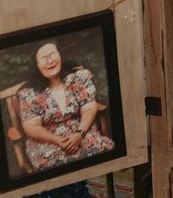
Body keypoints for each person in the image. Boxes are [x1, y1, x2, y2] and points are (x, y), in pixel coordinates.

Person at [18, 40, 114, 172]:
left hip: (81, 131)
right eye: (44, 58)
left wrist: (79, 134)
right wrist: (58, 140)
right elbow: (32, 128)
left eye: (53, 54)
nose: (50, 61)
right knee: (55, 164)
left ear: (61, 56)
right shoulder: (29, 92)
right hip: (48, 141)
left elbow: (89, 108)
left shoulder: (77, 78)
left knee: (96, 151)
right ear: (37, 65)